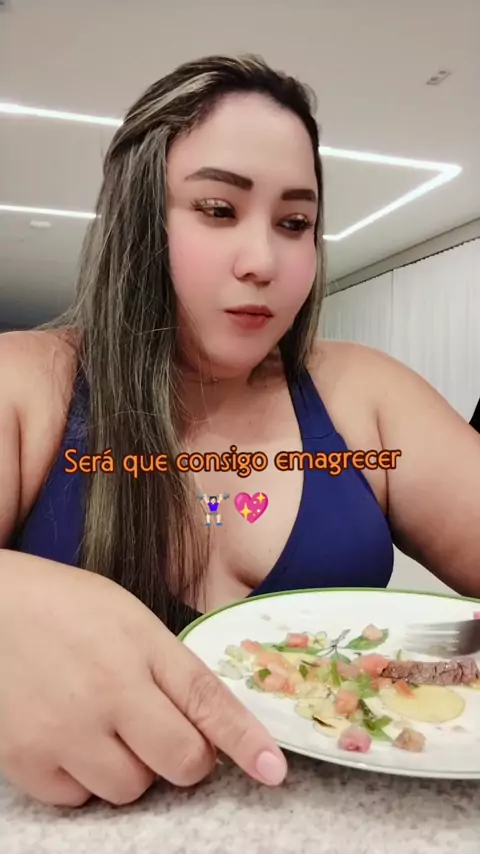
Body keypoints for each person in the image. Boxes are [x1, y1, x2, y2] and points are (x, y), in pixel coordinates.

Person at [1, 53, 480, 811]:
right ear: (136, 222)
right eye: (218, 209)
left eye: (294, 223)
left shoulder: (367, 395)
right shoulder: (26, 385)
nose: (264, 261)